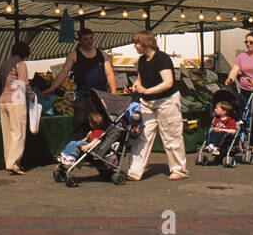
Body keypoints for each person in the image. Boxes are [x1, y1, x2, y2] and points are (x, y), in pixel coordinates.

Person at [125, 33, 188, 181]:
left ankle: (179, 169)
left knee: (171, 134)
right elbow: (139, 81)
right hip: (147, 103)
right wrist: (134, 88)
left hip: (166, 101)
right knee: (143, 135)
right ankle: (134, 171)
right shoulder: (142, 60)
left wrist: (147, 91)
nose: (135, 46)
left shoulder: (162, 59)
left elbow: (168, 82)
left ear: (145, 43)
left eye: (137, 43)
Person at [43, 25, 118, 140]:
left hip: (101, 97)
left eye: (91, 38)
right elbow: (63, 73)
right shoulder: (74, 55)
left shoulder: (102, 54)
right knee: (79, 127)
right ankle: (74, 153)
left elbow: (110, 74)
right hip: (84, 98)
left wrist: (113, 94)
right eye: (86, 39)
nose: (89, 41)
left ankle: (102, 152)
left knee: (103, 127)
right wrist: (52, 88)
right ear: (80, 40)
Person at [0, 40, 34, 175]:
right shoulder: (21, 64)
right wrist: (31, 95)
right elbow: (24, 83)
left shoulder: (4, 63)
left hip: (3, 100)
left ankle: (10, 161)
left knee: (7, 133)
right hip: (16, 101)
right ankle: (13, 163)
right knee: (18, 133)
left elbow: (1, 80)